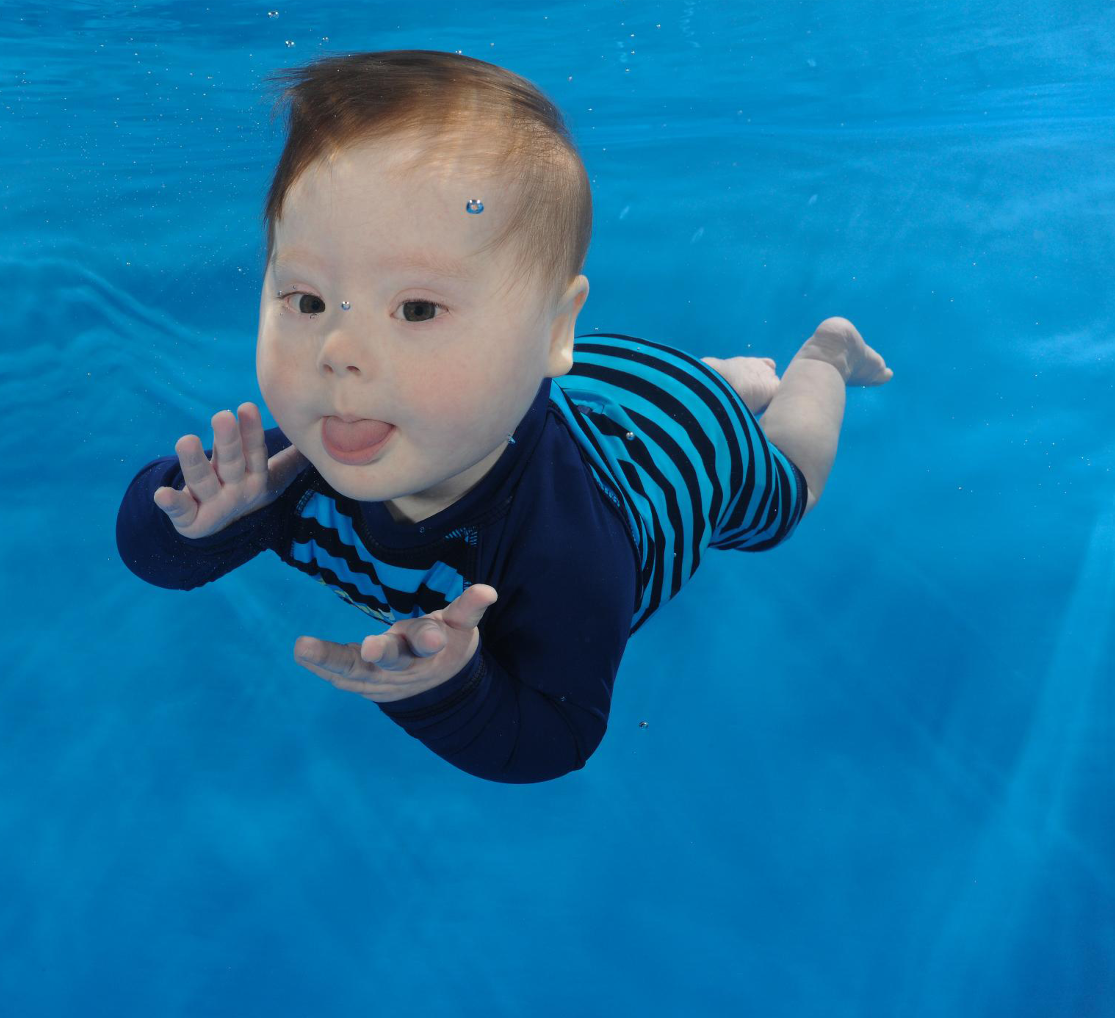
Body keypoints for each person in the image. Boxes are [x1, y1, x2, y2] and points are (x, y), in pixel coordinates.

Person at [112, 50, 893, 784]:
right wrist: (204, 525)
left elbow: (558, 734)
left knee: (790, 491)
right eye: (307, 299)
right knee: (636, 388)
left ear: (553, 330)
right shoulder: (311, 453)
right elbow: (153, 559)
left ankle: (814, 360)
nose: (338, 351)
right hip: (593, 384)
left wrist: (449, 692)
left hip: (692, 442)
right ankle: (722, 373)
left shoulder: (567, 553)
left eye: (416, 308)